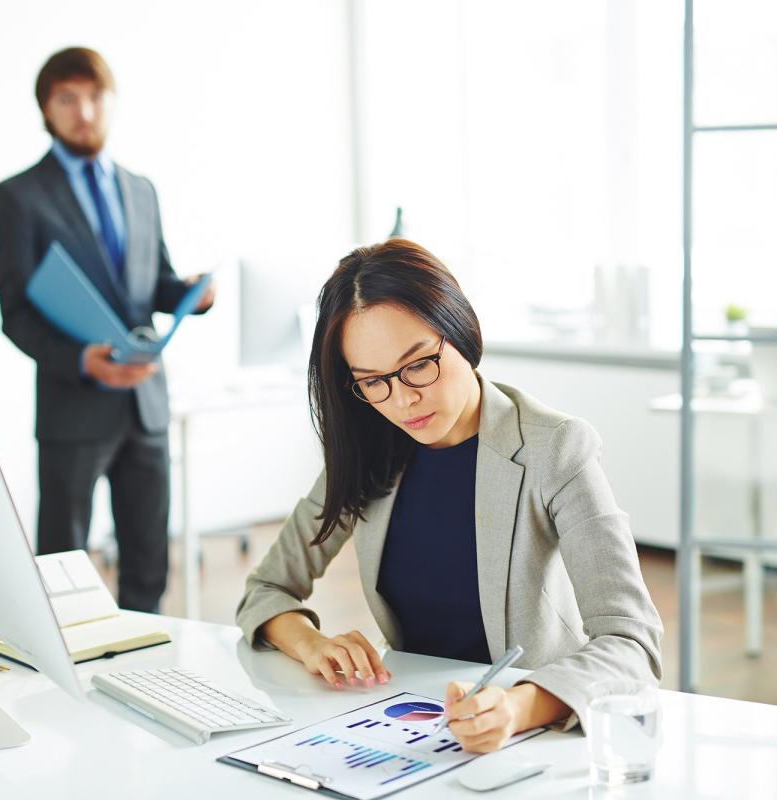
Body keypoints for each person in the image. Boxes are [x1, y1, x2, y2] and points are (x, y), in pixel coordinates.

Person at [235, 239, 663, 753]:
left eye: (418, 364)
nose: (402, 398)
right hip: (415, 724)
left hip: (538, 731)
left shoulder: (556, 447)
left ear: (460, 331)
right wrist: (312, 644)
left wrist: (518, 707)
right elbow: (265, 590)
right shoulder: (368, 450)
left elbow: (631, 642)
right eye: (372, 382)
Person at [0, 47, 214, 612]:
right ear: (46, 108)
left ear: (111, 102)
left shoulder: (141, 188)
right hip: (73, 405)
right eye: (67, 99)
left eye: (94, 96)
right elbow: (15, 313)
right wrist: (81, 359)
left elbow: (153, 283)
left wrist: (190, 293)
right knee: (61, 570)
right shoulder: (18, 197)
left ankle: (147, 673)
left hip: (145, 402)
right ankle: (61, 683)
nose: (83, 111)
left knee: (148, 563)